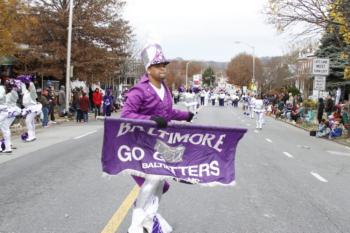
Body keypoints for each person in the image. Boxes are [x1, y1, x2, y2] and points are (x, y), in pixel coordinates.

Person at [121, 43, 194, 233]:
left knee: (160, 182)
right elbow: (126, 115)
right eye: (158, 65)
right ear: (149, 68)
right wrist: (150, 119)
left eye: (164, 64)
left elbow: (167, 113)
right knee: (152, 180)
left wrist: (185, 115)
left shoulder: (165, 89)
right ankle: (135, 226)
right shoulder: (139, 90)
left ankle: (150, 217)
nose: (163, 68)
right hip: (139, 144)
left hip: (159, 145)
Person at [20, 76, 42, 142]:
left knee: (28, 121)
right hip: (28, 108)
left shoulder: (33, 93)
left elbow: (32, 88)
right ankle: (33, 135)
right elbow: (23, 88)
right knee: (31, 122)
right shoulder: (26, 92)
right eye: (28, 86)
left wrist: (29, 81)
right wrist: (22, 81)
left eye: (29, 86)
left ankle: (31, 136)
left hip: (33, 108)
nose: (29, 87)